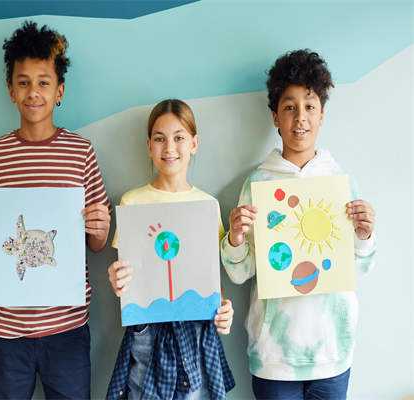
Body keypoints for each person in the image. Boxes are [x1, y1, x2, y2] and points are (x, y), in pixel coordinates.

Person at [0, 21, 110, 399]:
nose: (33, 92)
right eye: (23, 82)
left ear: (60, 91)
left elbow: (96, 245)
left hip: (68, 328)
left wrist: (101, 227)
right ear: (11, 90)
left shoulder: (80, 152)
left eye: (43, 82)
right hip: (6, 331)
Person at [221, 49, 376, 399]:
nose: (300, 117)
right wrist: (235, 238)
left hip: (332, 352)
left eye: (309, 106)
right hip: (273, 356)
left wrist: (365, 236)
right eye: (290, 107)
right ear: (275, 116)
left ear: (322, 114)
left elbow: (359, 267)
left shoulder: (341, 182)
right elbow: (240, 273)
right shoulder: (257, 184)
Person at [106, 99, 235, 400]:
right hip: (148, 335)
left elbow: (210, 281)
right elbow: (126, 281)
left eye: (179, 138)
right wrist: (117, 281)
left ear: (194, 144)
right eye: (160, 139)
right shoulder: (132, 203)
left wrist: (224, 310)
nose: (169, 148)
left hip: (197, 333)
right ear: (149, 146)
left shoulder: (207, 205)